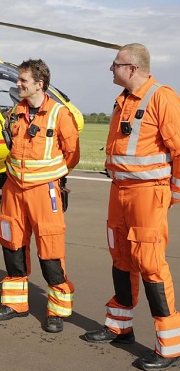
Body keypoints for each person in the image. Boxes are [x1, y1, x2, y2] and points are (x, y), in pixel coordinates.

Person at [83, 43, 180, 370]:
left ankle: (169, 347)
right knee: (121, 257)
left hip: (147, 194)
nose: (111, 69)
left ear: (133, 68)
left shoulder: (162, 98)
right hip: (120, 192)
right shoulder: (122, 100)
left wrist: (173, 194)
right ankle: (119, 326)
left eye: (115, 64)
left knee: (151, 265)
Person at [0, 59, 80, 333]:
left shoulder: (59, 114)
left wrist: (51, 176)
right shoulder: (15, 111)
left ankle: (57, 311)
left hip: (44, 192)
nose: (17, 84)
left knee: (50, 249)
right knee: (12, 244)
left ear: (39, 84)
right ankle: (16, 304)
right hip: (13, 190)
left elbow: (72, 154)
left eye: (23, 81)